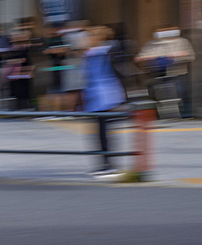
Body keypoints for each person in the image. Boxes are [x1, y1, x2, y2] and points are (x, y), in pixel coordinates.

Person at [82, 26, 127, 177]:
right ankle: (104, 164)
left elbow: (115, 72)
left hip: (105, 96)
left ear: (99, 38)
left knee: (104, 132)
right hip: (96, 96)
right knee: (100, 132)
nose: (88, 39)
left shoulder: (107, 52)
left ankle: (109, 164)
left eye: (91, 36)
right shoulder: (92, 53)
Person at [135, 25, 195, 118]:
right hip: (156, 73)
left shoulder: (182, 42)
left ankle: (186, 114)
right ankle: (157, 115)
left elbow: (190, 56)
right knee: (154, 95)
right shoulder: (151, 44)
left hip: (177, 72)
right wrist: (153, 58)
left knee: (182, 93)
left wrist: (175, 56)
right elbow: (139, 58)